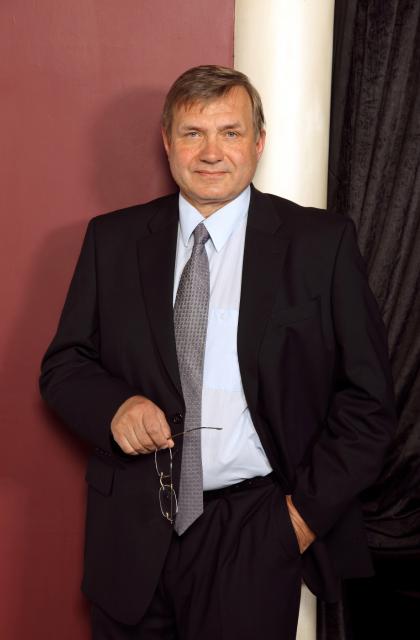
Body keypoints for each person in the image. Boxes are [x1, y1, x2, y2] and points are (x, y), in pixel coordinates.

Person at [40, 65, 396, 640]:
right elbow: (64, 366)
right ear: (167, 142)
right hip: (130, 531)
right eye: (193, 133)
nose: (211, 152)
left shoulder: (320, 244)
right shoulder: (112, 240)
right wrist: (115, 407)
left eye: (230, 132)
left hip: (255, 529)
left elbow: (368, 401)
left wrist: (301, 519)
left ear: (259, 142)